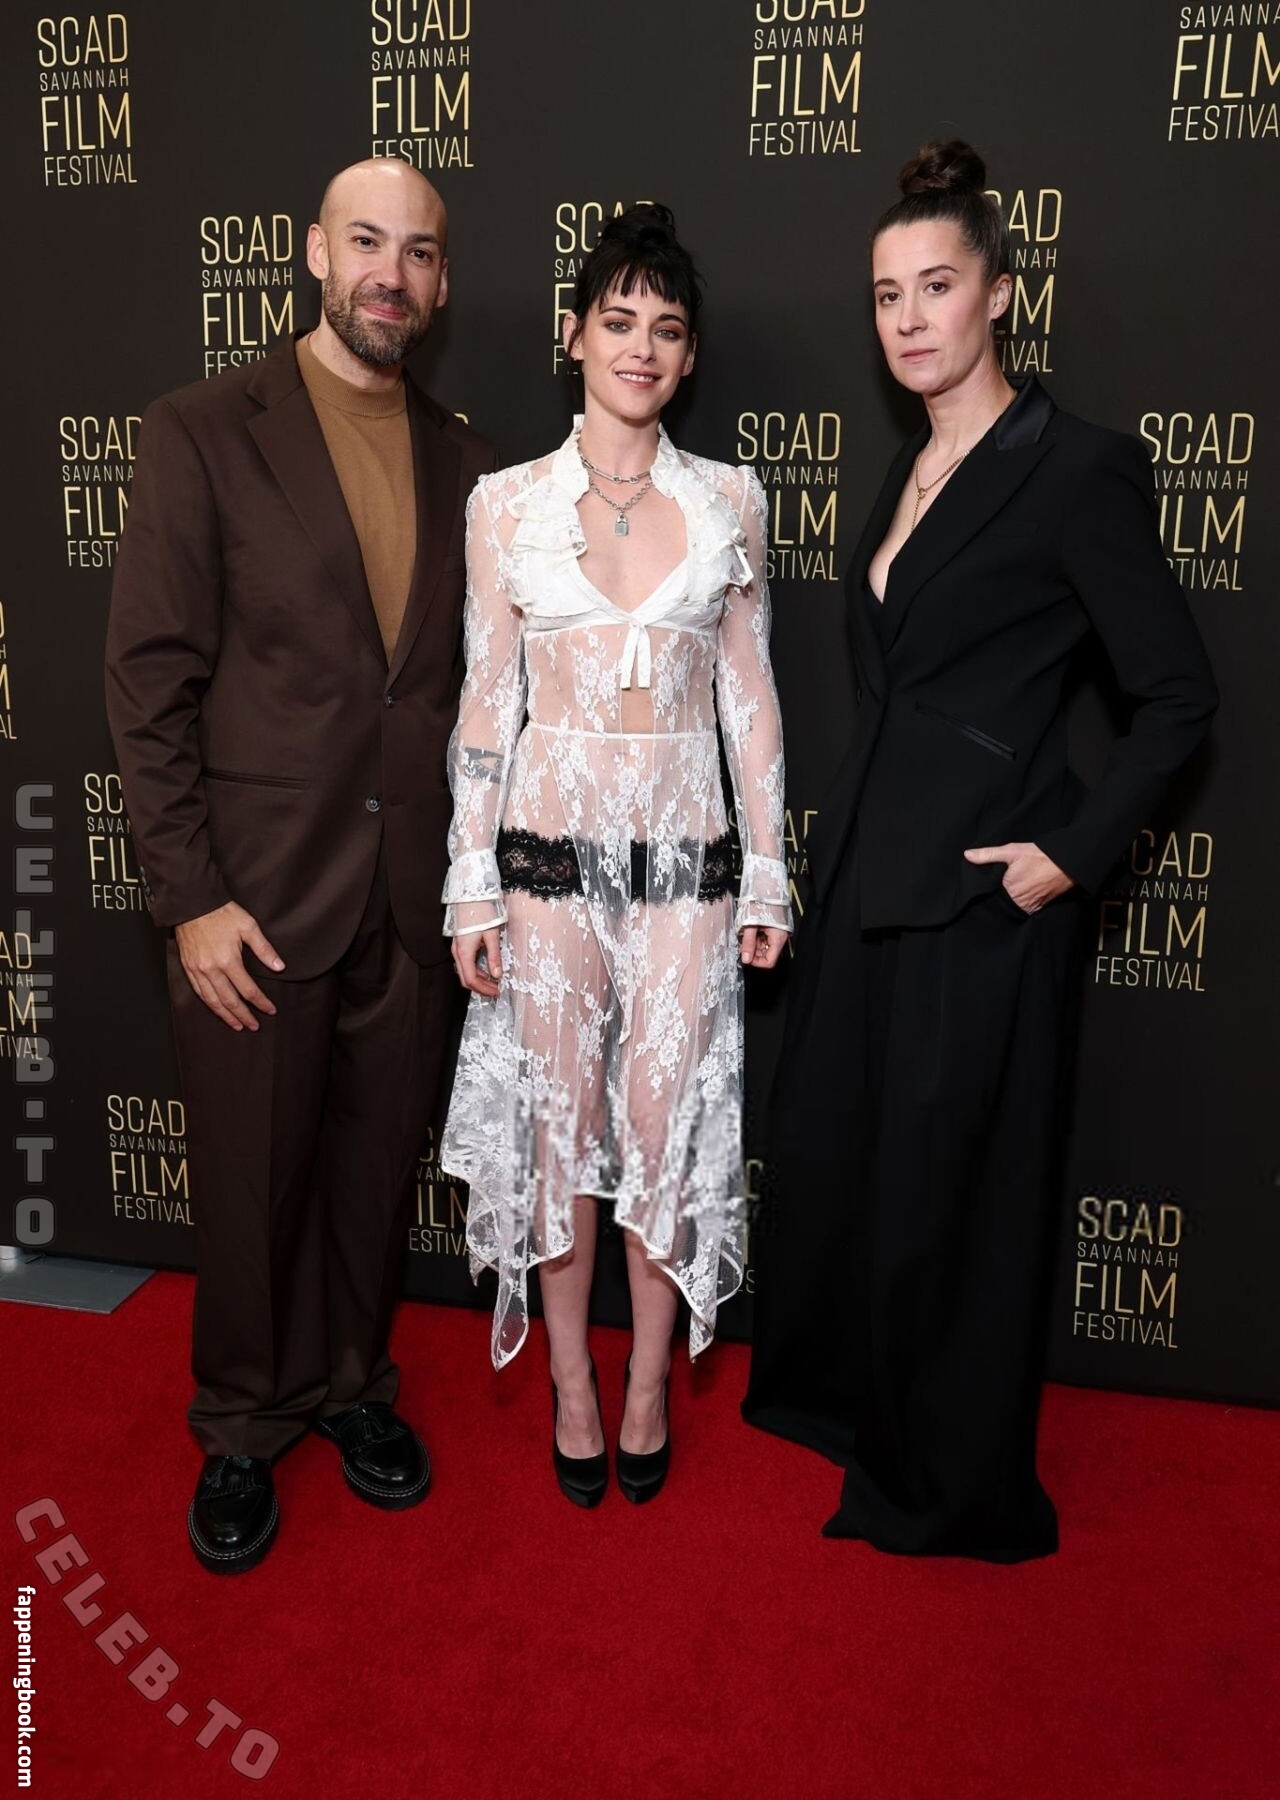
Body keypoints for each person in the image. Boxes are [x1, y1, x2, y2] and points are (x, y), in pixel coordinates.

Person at [742, 141, 1217, 1561]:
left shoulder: (1076, 469)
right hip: (870, 881)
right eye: (888, 295)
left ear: (1000, 293)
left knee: (954, 1199)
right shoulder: (908, 465)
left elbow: (1177, 696)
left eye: (937, 286)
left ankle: (950, 1485)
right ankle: (858, 1413)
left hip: (984, 904)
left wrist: (1068, 851)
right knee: (858, 1172)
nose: (909, 319)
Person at [105, 158, 496, 1573]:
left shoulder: (468, 461)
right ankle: (241, 1423)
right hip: (254, 899)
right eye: (367, 243)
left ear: (440, 282)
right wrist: (190, 897)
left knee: (373, 1171)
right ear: (316, 254)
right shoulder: (203, 429)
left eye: (419, 252)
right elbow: (148, 681)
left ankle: (349, 1387)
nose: (392, 273)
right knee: (248, 1179)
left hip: (409, 892)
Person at [440, 204, 790, 1507]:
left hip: (687, 868)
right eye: (619, 319)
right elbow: (487, 704)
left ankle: (645, 1380)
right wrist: (470, 883)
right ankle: (570, 1384)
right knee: (560, 1131)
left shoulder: (731, 500)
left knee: (663, 1130)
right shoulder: (505, 506)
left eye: (668, 328)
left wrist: (769, 869)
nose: (641, 347)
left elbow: (750, 701)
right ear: (574, 334)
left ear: (687, 357)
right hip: (544, 866)